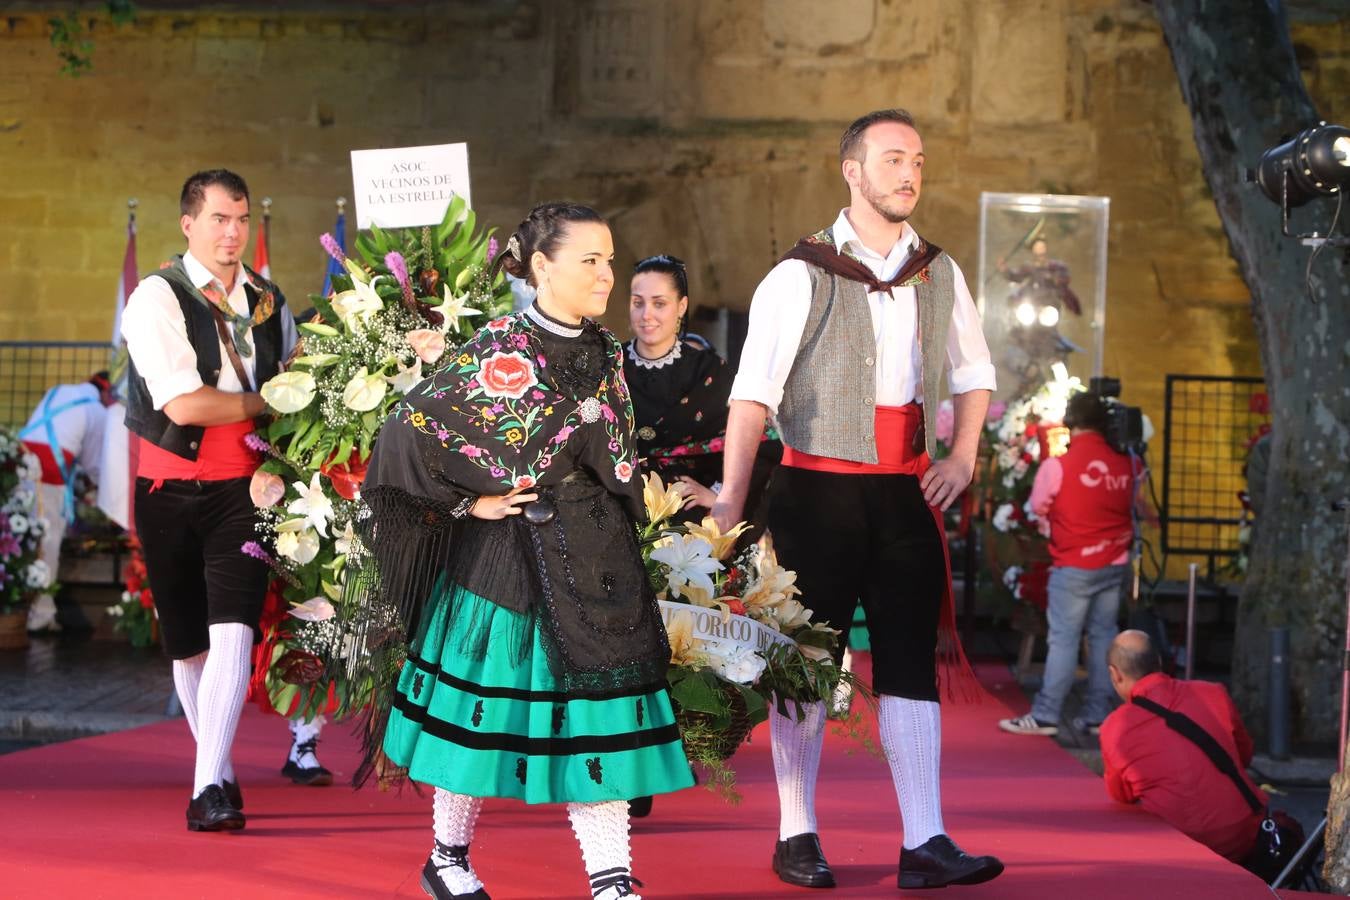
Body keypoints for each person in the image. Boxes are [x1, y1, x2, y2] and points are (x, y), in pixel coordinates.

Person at [355, 203, 694, 900]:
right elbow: (407, 429)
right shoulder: (500, 345)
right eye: (589, 261)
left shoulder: (604, 350)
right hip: (507, 562)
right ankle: (447, 858)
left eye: (609, 259)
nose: (606, 274)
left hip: (595, 556)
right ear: (542, 266)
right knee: (476, 726)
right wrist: (465, 502)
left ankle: (611, 880)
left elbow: (616, 450)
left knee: (598, 716)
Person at [712, 108, 1003, 891]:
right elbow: (751, 396)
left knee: (911, 664)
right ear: (853, 171)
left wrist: (964, 454)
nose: (910, 172)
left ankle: (927, 841)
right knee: (806, 666)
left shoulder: (938, 271)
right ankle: (796, 832)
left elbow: (976, 375)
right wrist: (732, 502)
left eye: (919, 161)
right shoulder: (797, 274)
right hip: (814, 494)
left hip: (903, 494)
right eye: (894, 158)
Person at [121, 169, 328, 832]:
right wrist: (264, 399)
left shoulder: (270, 300)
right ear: (189, 224)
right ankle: (219, 765)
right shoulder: (156, 296)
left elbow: (302, 382)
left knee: (233, 626)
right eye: (219, 219)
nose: (233, 232)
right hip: (167, 487)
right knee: (188, 646)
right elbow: (184, 404)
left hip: (246, 486)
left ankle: (207, 784)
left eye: (240, 219)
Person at [999, 391, 1143, 736]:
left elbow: (1037, 508)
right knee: (1102, 638)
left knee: (1063, 640)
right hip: (1116, 560)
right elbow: (1137, 505)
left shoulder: (1058, 466)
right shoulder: (1130, 463)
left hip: (1074, 562)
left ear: (1070, 421)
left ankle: (1047, 713)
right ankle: (1098, 714)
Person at [624, 253, 779, 525]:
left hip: (688, 517)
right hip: (621, 506)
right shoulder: (609, 364)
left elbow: (759, 439)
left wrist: (719, 495)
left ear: (682, 306)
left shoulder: (710, 372)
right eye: (638, 303)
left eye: (659, 303)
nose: (647, 314)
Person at [1099, 630, 1269, 865]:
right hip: (1243, 836)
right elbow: (1244, 756)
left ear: (1114, 674)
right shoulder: (1213, 693)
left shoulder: (1114, 727)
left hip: (1174, 846)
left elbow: (1122, 795)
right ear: (1159, 662)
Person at [18, 372, 115, 632]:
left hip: (18, 465)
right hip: (47, 476)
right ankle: (40, 616)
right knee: (46, 546)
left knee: (18, 542)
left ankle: (16, 609)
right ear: (106, 393)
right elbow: (95, 465)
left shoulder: (58, 390)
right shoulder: (97, 410)